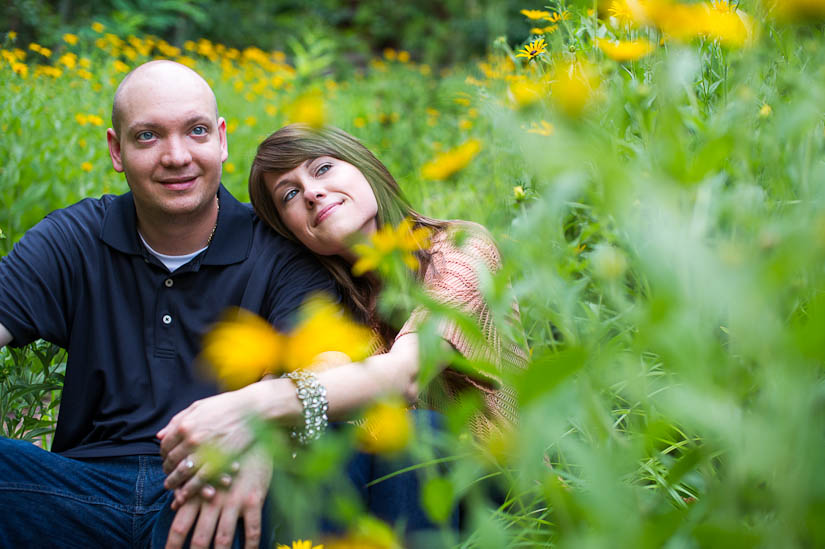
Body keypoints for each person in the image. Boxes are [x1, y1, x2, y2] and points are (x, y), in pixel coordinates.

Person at [0, 62, 336, 548]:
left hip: (220, 480)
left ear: (221, 140)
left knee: (249, 498)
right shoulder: (73, 239)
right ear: (117, 150)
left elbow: (324, 369)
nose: (176, 156)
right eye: (148, 136)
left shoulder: (279, 252)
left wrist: (264, 442)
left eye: (195, 131)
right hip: (78, 492)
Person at [157, 124, 529, 535]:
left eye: (323, 168)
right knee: (326, 445)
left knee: (415, 432)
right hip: (395, 497)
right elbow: (300, 379)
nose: (312, 193)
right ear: (291, 230)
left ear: (365, 166)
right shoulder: (324, 304)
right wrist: (263, 436)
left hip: (504, 494)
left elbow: (406, 373)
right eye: (290, 195)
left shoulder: (459, 249)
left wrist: (251, 408)